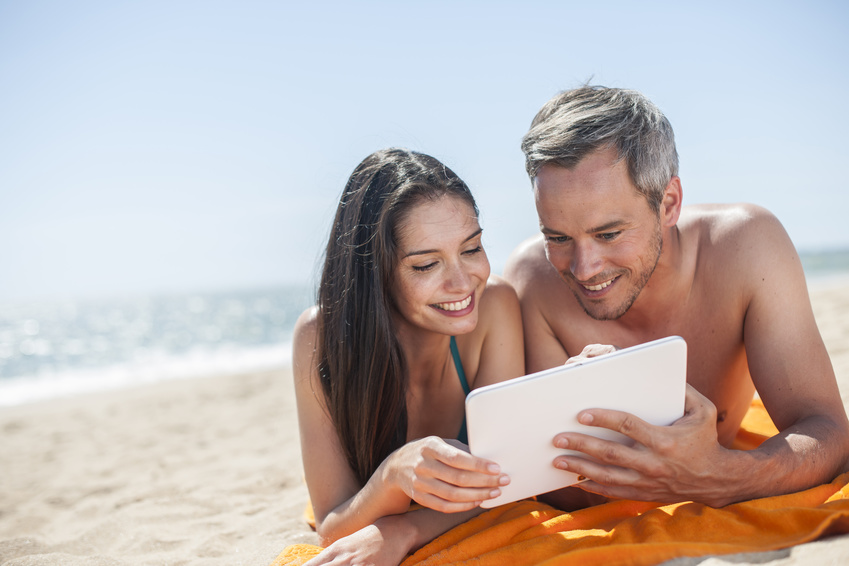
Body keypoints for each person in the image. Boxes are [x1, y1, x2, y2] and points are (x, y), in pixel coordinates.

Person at [504, 85, 849, 508]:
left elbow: (827, 429)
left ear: (668, 203)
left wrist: (722, 475)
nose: (583, 267)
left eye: (609, 234)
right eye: (557, 237)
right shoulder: (531, 280)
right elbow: (561, 492)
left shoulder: (746, 247)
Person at [293, 148, 524, 564]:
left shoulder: (497, 305)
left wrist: (403, 528)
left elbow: (510, 481)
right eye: (426, 265)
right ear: (375, 272)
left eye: (471, 249)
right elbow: (332, 522)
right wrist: (393, 474)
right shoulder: (320, 338)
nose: (462, 283)